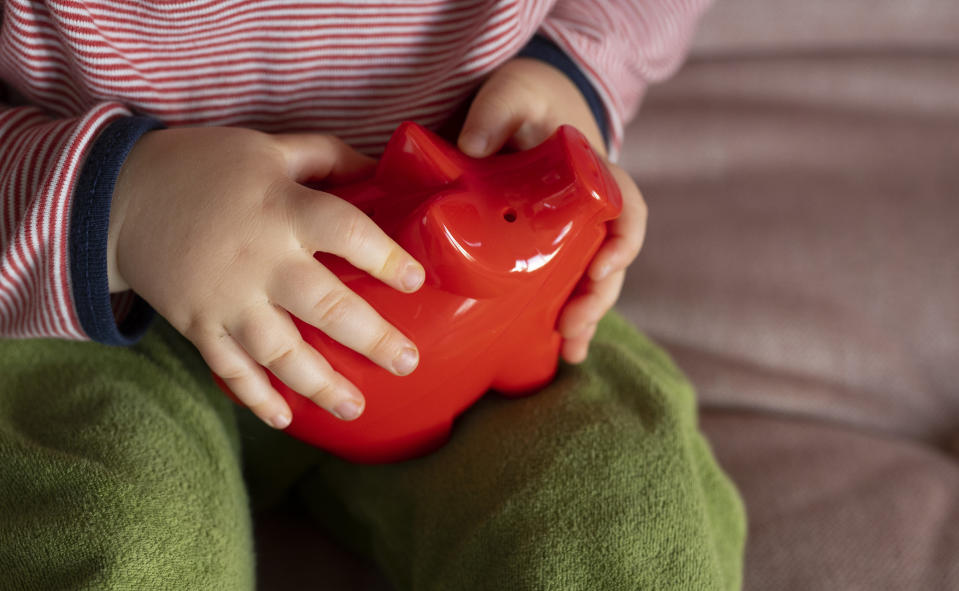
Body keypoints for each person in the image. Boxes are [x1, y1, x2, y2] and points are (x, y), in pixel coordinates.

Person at [0, 1, 745, 589]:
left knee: (612, 509)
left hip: (475, 310)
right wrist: (125, 203)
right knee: (116, 537)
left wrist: (576, 71)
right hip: (104, 308)